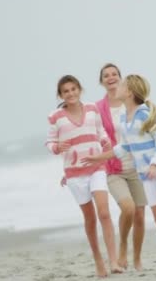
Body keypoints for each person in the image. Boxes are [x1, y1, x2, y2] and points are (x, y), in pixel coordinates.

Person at [82, 75, 156, 275]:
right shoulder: (125, 117)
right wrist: (99, 158)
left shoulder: (145, 113)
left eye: (122, 85)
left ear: (130, 92)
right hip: (146, 174)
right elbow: (124, 147)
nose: (118, 86)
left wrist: (155, 165)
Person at [46, 75, 123, 277]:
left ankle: (113, 261)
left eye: (73, 89)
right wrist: (56, 147)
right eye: (66, 91)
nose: (70, 93)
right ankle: (99, 260)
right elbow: (49, 142)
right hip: (74, 175)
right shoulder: (56, 117)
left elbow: (101, 132)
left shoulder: (92, 109)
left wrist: (106, 144)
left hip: (96, 167)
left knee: (104, 213)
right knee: (90, 219)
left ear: (79, 89)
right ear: (60, 95)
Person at [96, 63, 147, 271]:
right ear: (101, 81)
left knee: (141, 215)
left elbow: (149, 126)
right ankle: (123, 245)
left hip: (137, 166)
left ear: (120, 78)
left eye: (114, 74)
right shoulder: (98, 108)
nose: (110, 78)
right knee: (128, 208)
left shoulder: (131, 101)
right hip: (113, 167)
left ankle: (136, 258)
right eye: (106, 75)